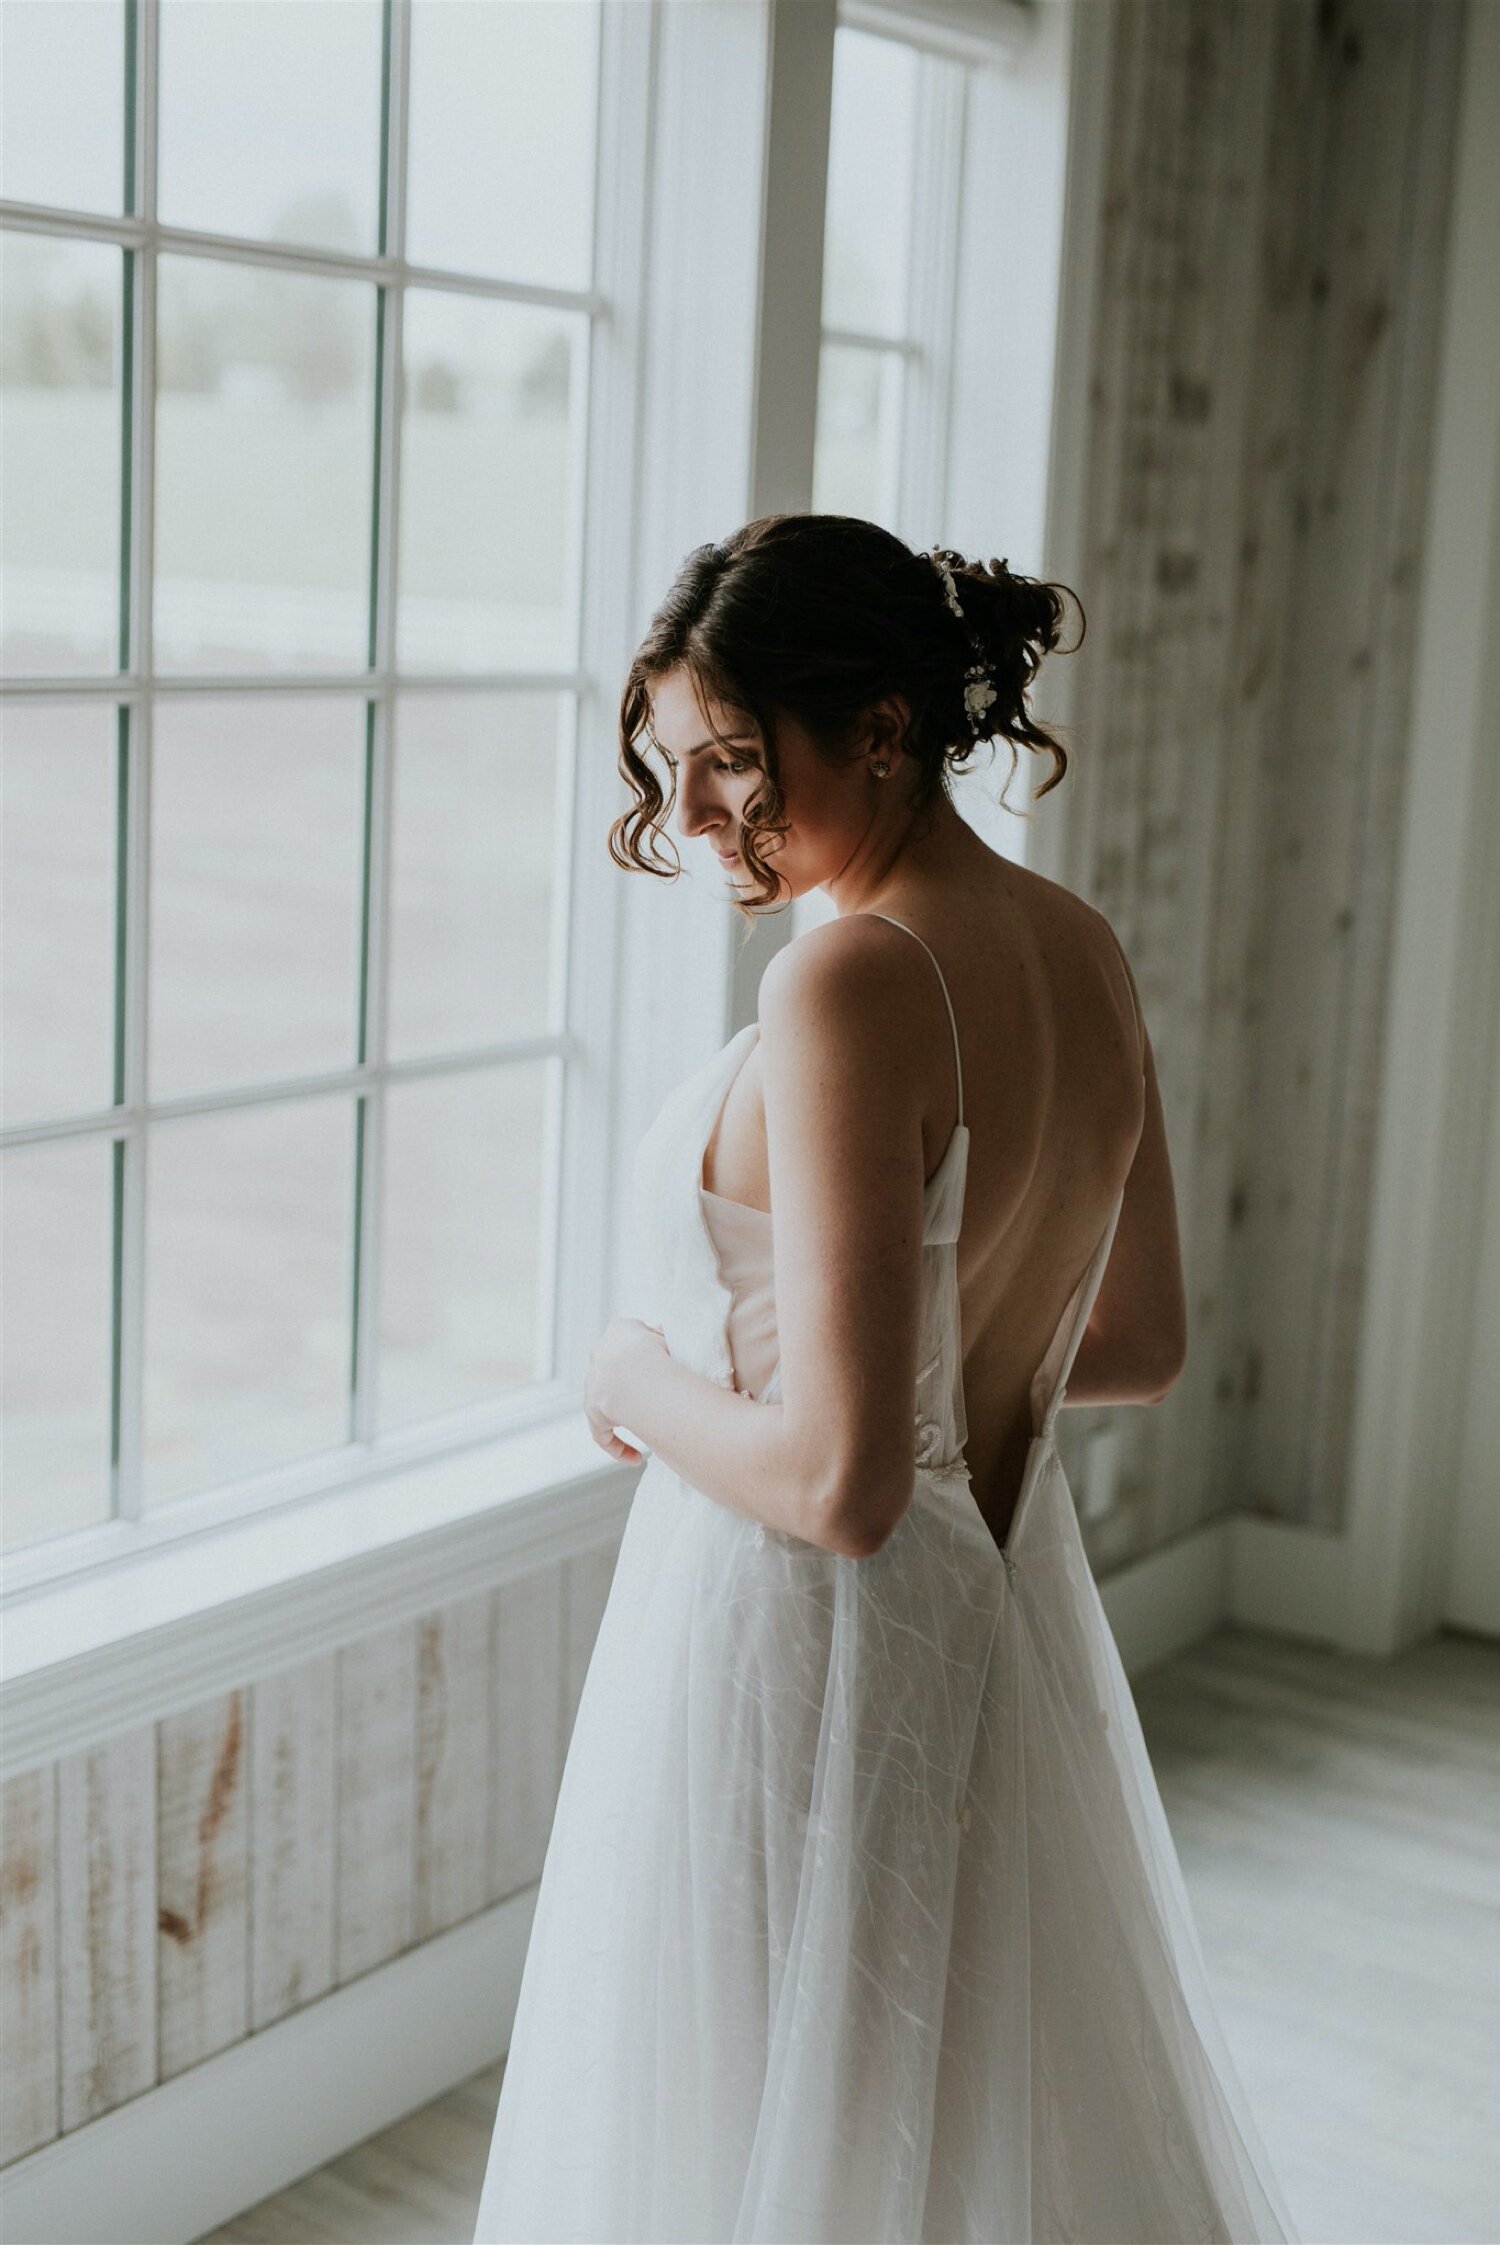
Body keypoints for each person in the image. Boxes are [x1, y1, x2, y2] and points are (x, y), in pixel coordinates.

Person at [472, 514, 1299, 2244]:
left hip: (803, 1651)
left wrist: (636, 1370)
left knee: (769, 2130)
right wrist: (942, 1394)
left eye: (733, 761)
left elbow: (844, 1486)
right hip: (1003, 1621)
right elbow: (1136, 1342)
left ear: (883, 730)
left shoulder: (850, 975)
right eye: (680, 766)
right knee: (937, 2127)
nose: (696, 816)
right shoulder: (1084, 947)